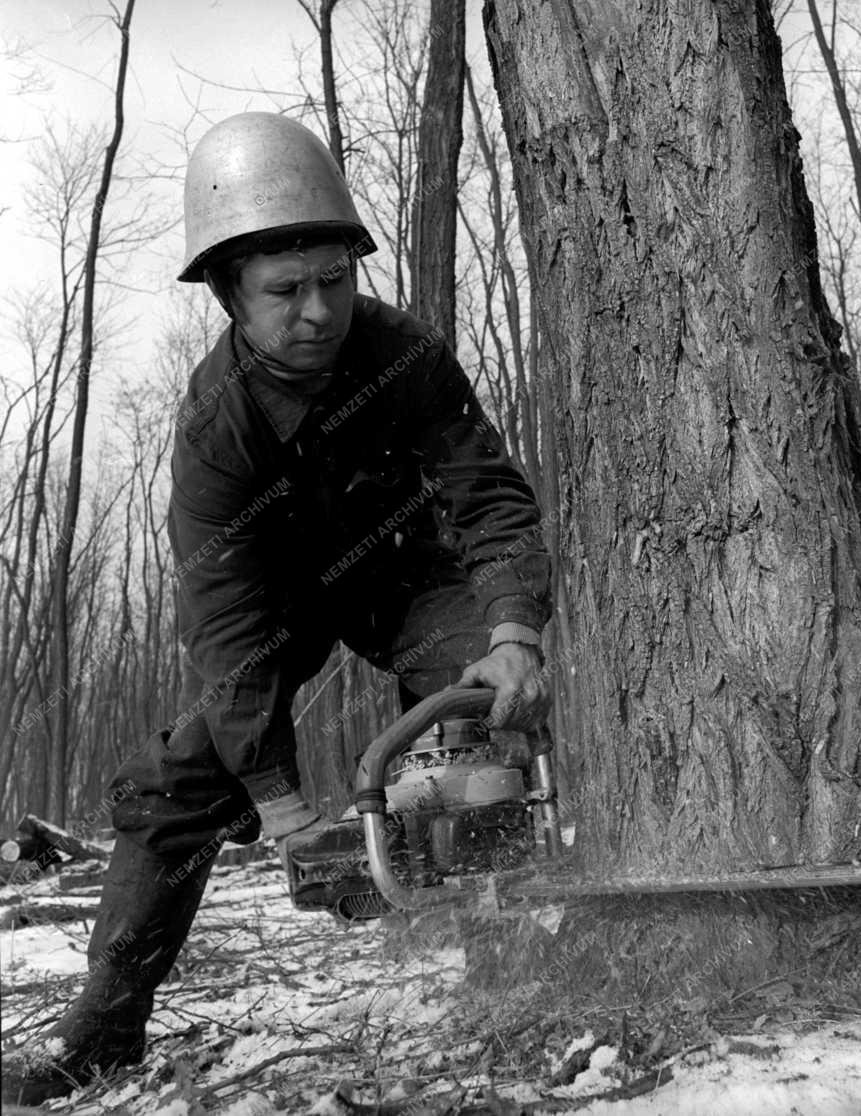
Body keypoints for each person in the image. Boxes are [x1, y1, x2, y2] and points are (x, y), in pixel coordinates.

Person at [2, 111, 551, 1105]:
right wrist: (280, 800)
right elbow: (224, 625)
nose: (316, 312)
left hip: (406, 575)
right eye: (284, 292)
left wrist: (511, 632)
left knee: (477, 724)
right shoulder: (215, 429)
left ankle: (508, 983)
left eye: (333, 281)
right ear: (228, 299)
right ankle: (101, 1028)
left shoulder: (406, 355)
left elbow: (489, 496)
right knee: (175, 781)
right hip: (275, 610)